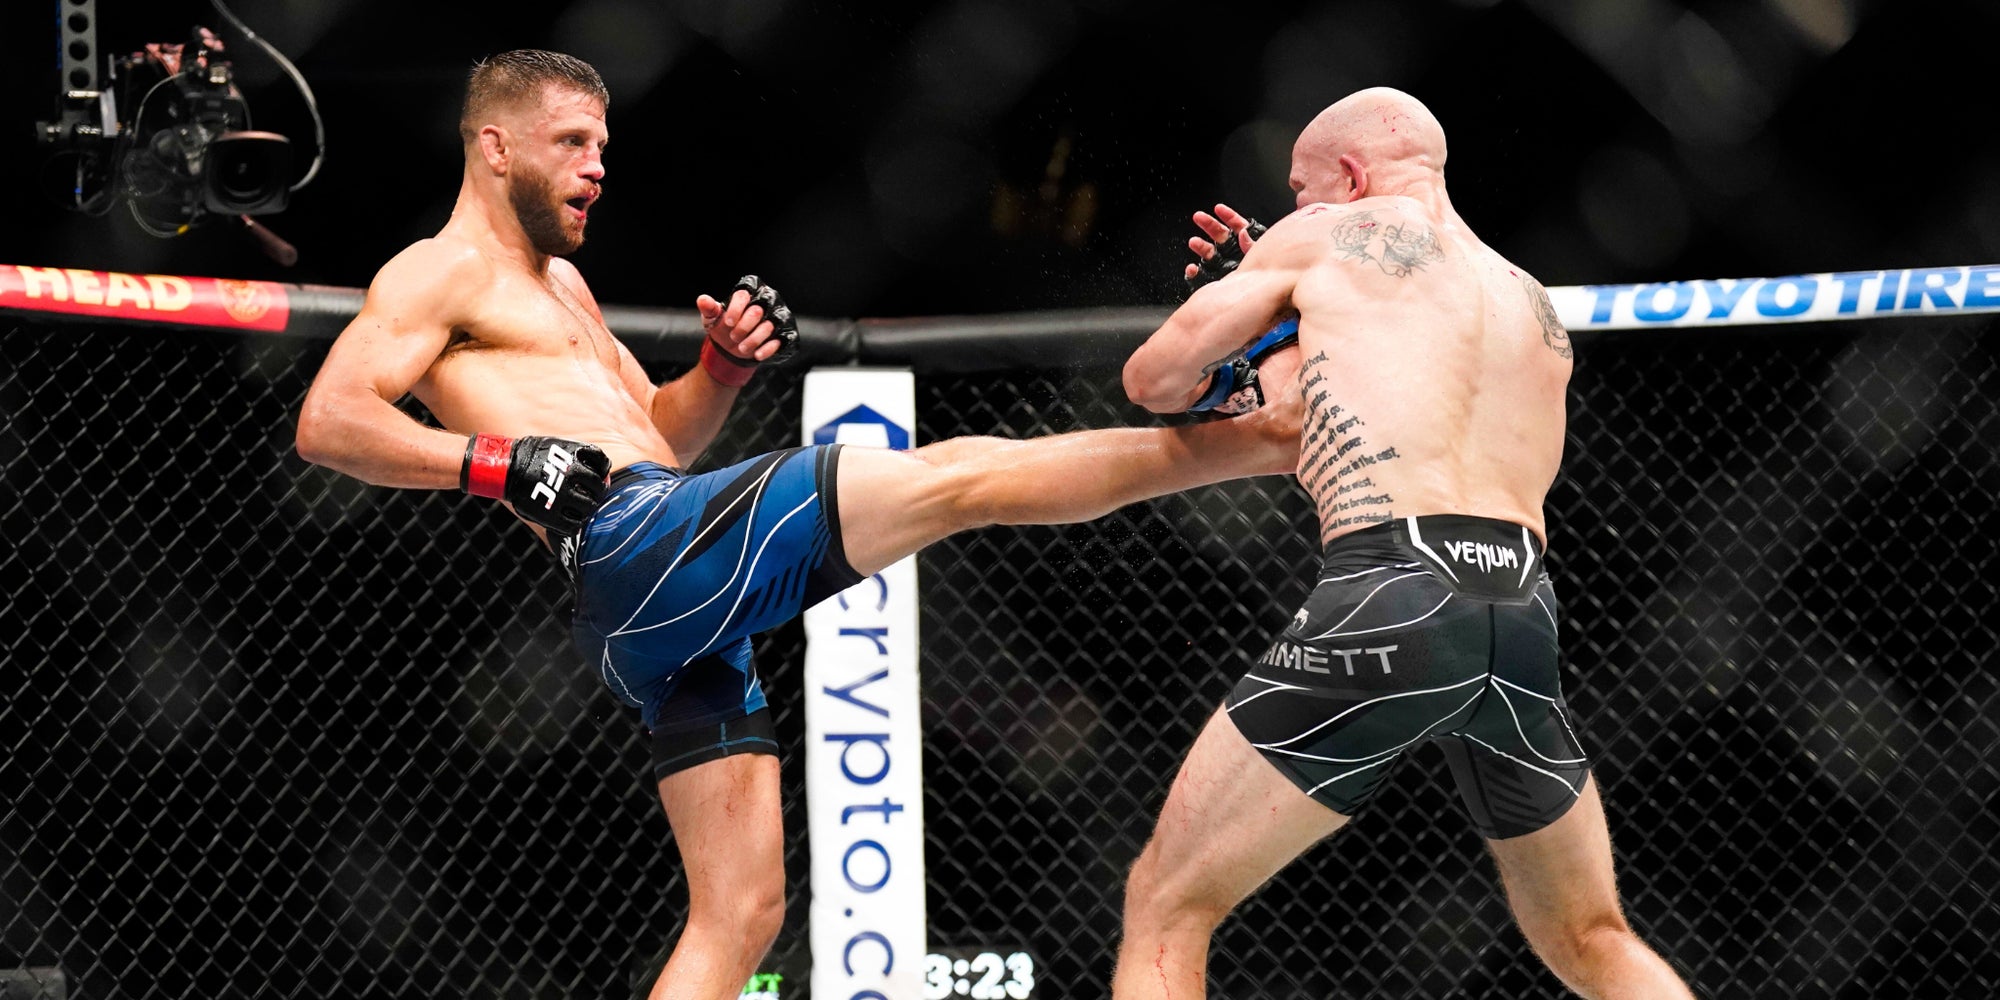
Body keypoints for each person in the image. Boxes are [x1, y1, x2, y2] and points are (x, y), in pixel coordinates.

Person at [292, 50, 1302, 1000]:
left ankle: (1252, 438)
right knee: (958, 478)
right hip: (637, 544)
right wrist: (495, 463)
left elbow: (653, 437)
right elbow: (330, 422)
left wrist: (718, 371)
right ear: (495, 145)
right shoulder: (433, 270)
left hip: (653, 590)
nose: (597, 167)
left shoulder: (561, 283)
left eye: (602, 144)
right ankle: (1262, 440)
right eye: (570, 143)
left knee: (738, 915)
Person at [1115, 88, 1696, 999]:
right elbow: (1365, 406)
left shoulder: (1318, 240)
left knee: (1168, 902)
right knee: (1590, 936)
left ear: (1349, 175)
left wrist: (1249, 292)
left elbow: (1151, 380)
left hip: (1395, 586)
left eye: (1302, 192)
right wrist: (1284, 329)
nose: (1293, 212)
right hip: (1522, 609)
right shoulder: (1527, 298)